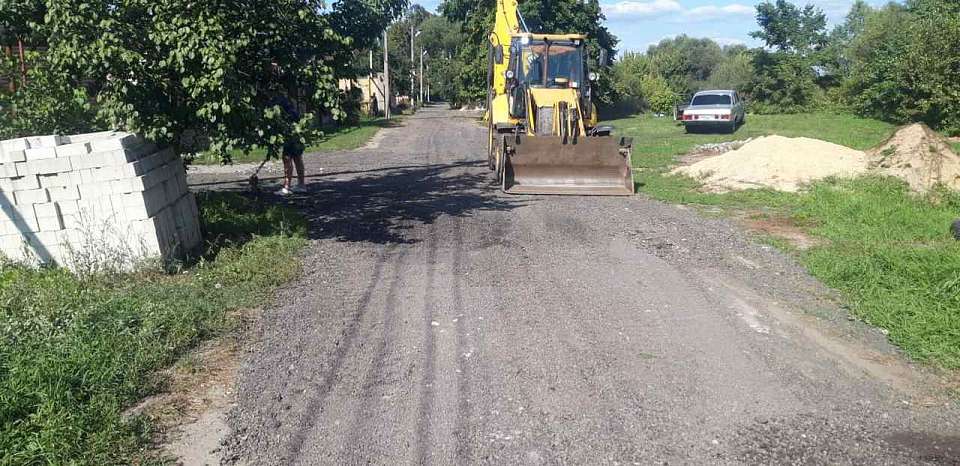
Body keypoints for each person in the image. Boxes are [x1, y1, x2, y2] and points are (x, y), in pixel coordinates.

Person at [273, 93, 307, 195]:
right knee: (297, 157)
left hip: (290, 133)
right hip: (297, 131)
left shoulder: (278, 102)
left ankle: (286, 187)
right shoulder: (288, 102)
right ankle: (301, 185)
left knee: (287, 158)